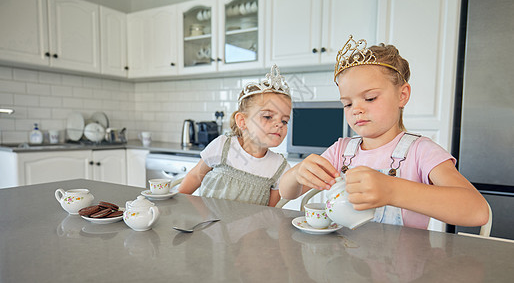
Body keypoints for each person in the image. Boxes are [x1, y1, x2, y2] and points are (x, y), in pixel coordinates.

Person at [279, 35, 489, 229]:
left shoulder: (420, 152)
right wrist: (297, 174)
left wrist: (392, 190)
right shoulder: (341, 151)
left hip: (402, 267)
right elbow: (287, 193)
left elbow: (477, 212)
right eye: (348, 104)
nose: (357, 109)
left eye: (370, 98)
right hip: (343, 262)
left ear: (402, 95)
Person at [179, 65, 292, 207]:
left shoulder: (279, 167)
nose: (279, 124)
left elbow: (269, 212)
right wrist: (176, 204)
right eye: (268, 116)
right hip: (209, 226)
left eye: (284, 120)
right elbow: (195, 176)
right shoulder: (222, 146)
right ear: (242, 121)